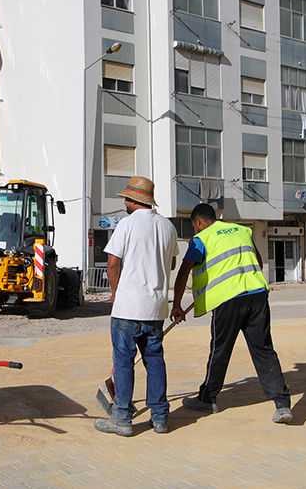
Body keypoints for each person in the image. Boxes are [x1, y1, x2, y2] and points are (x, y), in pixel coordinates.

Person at [171, 203, 292, 424]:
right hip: (257, 294)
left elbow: (184, 271)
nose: (195, 229)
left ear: (198, 222)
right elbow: (257, 259)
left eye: (194, 225)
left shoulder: (202, 239)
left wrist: (176, 305)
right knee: (264, 350)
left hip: (228, 300)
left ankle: (207, 399)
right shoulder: (240, 230)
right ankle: (282, 404)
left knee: (220, 350)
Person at [95, 176, 179, 437]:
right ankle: (160, 418)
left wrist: (114, 292)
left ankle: (121, 418)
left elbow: (112, 263)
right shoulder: (167, 227)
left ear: (134, 201)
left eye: (126, 199)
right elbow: (172, 264)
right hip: (155, 309)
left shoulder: (126, 225)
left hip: (128, 307)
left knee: (123, 363)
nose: (125, 203)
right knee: (155, 362)